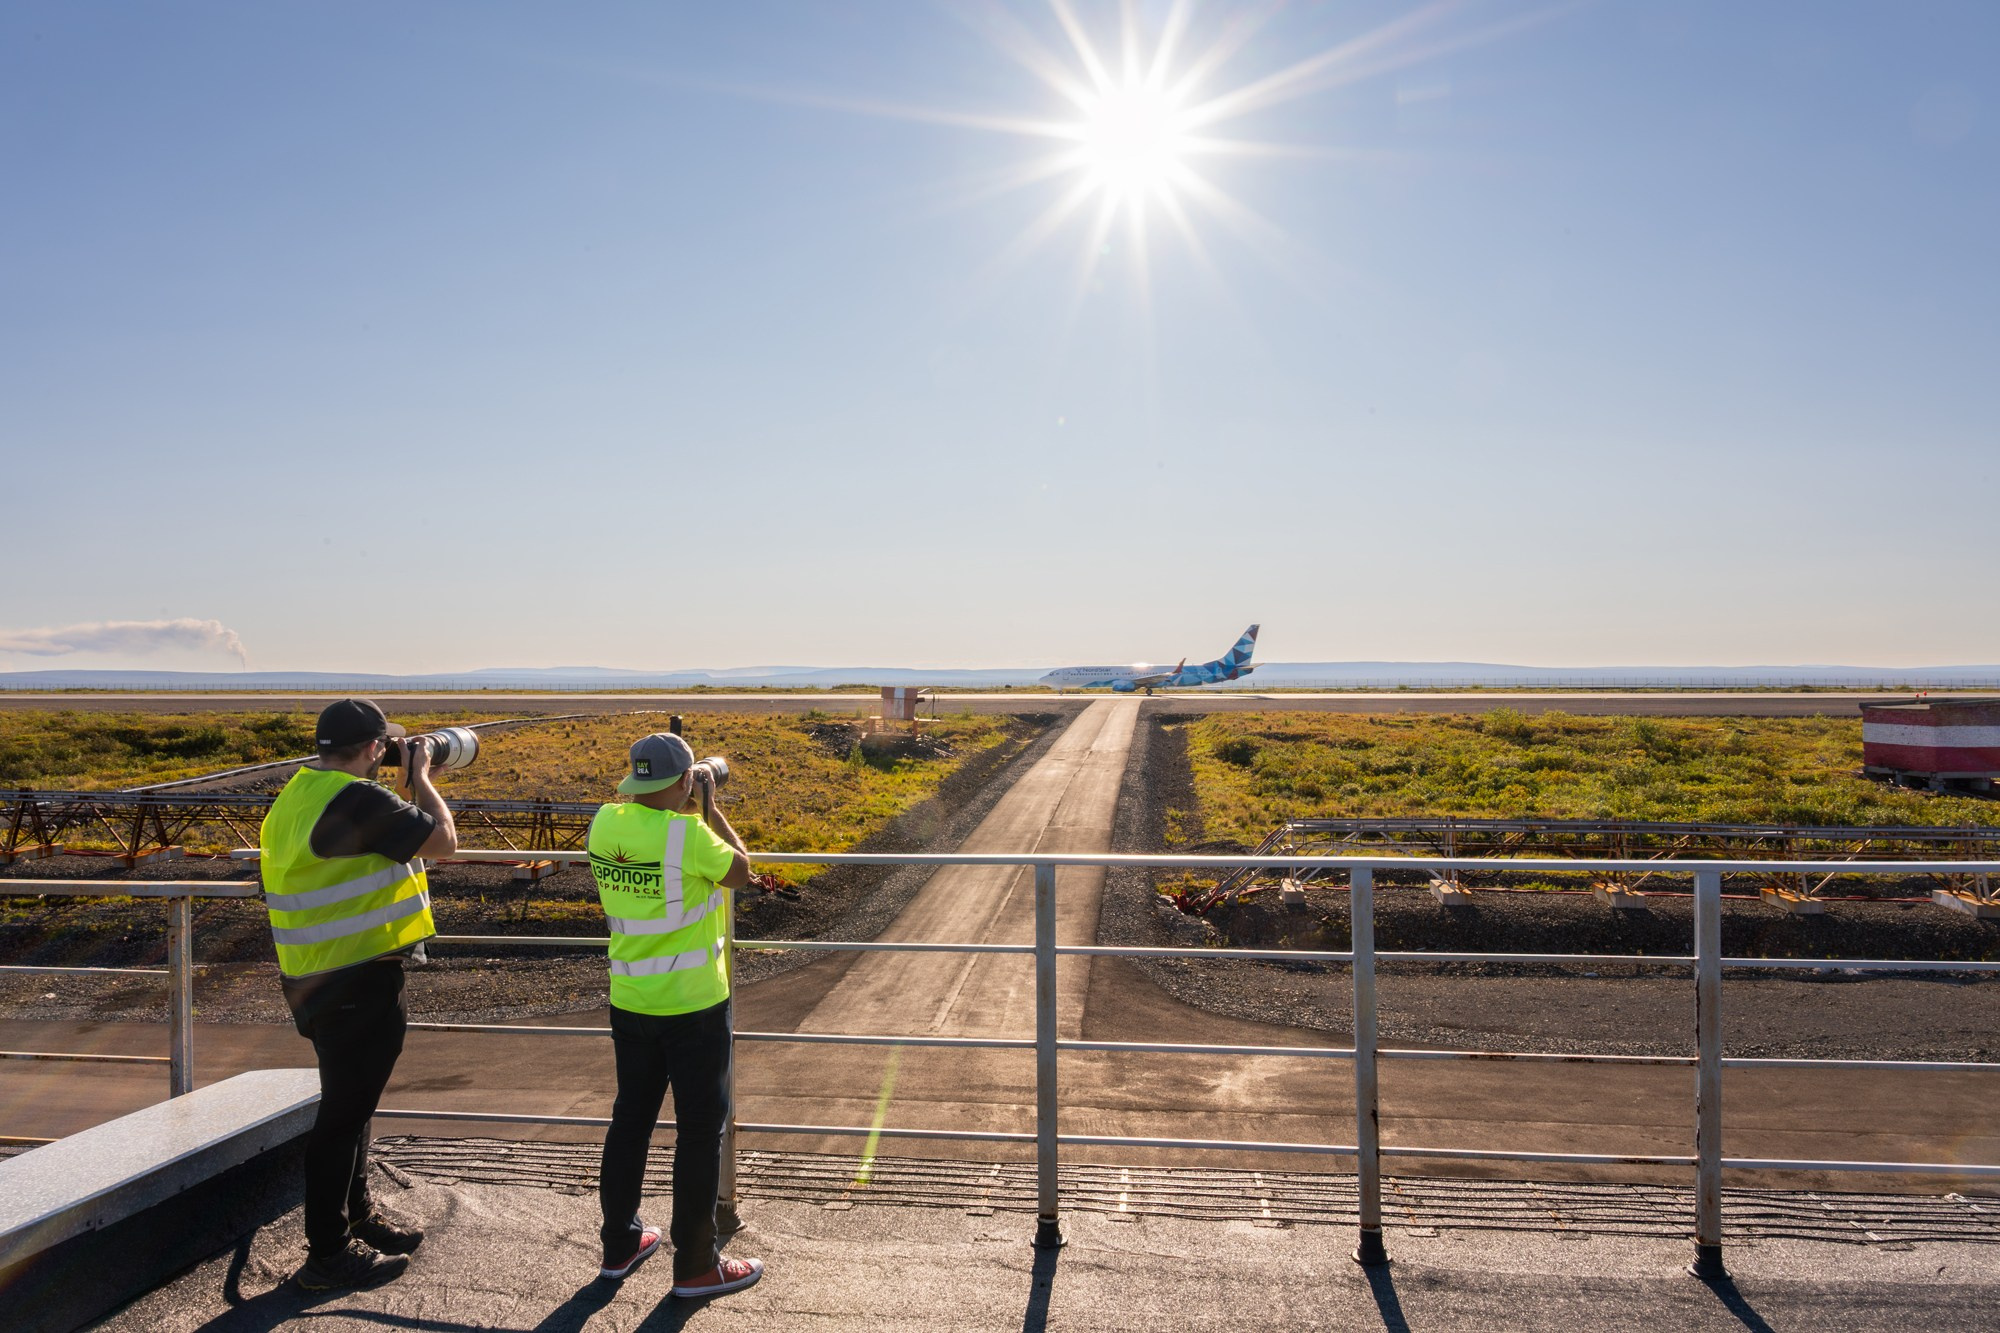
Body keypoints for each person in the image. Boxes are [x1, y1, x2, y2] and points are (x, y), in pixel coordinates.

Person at [259, 698, 457, 1292]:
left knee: (352, 1109)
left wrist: (399, 784)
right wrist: (420, 776)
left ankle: (357, 1218)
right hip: (356, 979)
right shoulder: (360, 799)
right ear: (374, 748)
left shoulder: (299, 792)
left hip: (313, 977)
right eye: (385, 747)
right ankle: (327, 1256)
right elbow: (442, 841)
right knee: (342, 1118)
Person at [588, 731, 764, 1298]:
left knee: (630, 1121)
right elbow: (743, 872)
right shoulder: (688, 834)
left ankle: (619, 1245)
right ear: (687, 781)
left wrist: (694, 800)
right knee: (698, 1133)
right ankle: (695, 1265)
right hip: (693, 1007)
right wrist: (711, 810)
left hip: (630, 1000)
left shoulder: (604, 822)